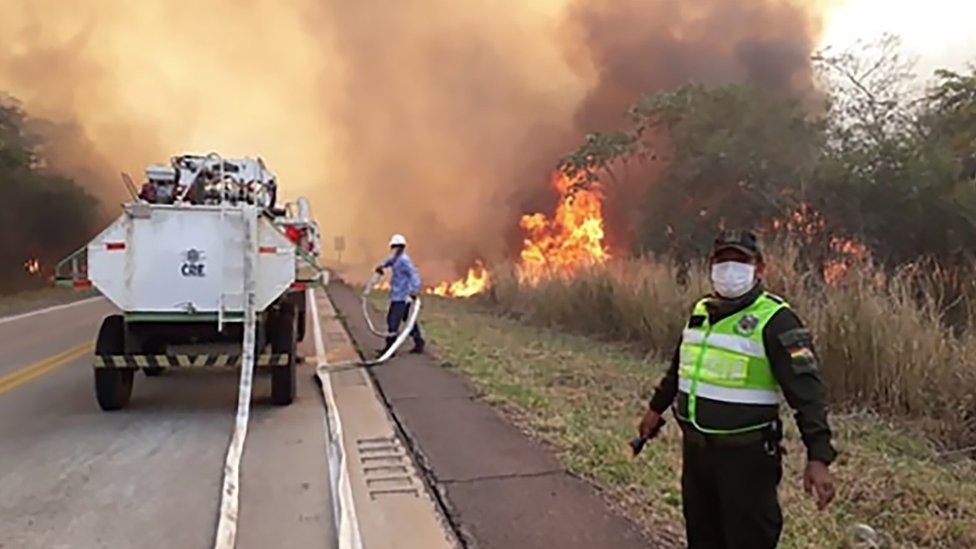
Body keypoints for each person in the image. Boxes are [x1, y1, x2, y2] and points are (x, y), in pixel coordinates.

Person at [637, 229, 837, 549]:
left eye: (740, 260)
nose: (730, 269)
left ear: (760, 268)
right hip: (698, 455)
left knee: (748, 540)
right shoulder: (701, 311)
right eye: (722, 260)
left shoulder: (777, 319)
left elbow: (808, 395)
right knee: (702, 536)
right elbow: (679, 367)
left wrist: (819, 457)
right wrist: (654, 409)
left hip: (747, 460)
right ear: (711, 266)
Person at [374, 233, 425, 356]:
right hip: (398, 295)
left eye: (399, 246)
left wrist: (414, 290)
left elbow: (414, 274)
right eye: (395, 246)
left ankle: (390, 349)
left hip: (402, 297)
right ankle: (419, 342)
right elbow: (389, 261)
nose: (396, 248)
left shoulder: (404, 260)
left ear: (402, 247)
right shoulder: (396, 258)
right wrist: (381, 266)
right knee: (408, 320)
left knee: (393, 321)